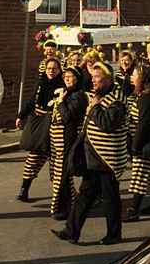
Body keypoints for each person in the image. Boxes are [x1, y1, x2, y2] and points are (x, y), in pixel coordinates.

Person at [51, 62, 127, 245]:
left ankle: (114, 234)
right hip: (93, 157)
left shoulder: (117, 100)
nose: (93, 81)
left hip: (107, 157)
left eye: (97, 78)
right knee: (84, 196)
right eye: (92, 77)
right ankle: (71, 231)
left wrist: (95, 108)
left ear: (108, 79)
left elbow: (108, 124)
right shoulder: (97, 96)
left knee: (111, 199)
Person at [16, 58, 64, 202]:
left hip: (53, 124)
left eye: (54, 68)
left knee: (55, 160)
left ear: (59, 70)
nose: (51, 71)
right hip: (38, 123)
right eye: (49, 68)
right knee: (34, 156)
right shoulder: (41, 82)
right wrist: (21, 115)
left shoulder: (62, 85)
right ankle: (24, 189)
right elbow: (32, 100)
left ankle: (61, 195)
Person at [124, 65, 150, 221]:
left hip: (145, 143)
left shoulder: (146, 97)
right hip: (149, 142)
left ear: (142, 78)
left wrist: (136, 146)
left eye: (134, 75)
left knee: (138, 176)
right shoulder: (146, 95)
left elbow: (143, 124)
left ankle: (134, 210)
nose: (131, 78)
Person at [49, 66, 88, 220]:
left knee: (64, 174)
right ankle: (69, 204)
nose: (66, 78)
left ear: (77, 79)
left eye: (70, 76)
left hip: (69, 139)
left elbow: (67, 118)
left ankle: (63, 208)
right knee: (61, 174)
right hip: (59, 140)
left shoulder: (78, 96)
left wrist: (59, 103)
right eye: (65, 76)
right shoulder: (67, 93)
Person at [115, 50, 137, 155]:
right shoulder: (117, 74)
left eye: (127, 60)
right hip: (122, 106)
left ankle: (134, 152)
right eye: (122, 60)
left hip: (134, 105)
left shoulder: (136, 73)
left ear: (132, 61)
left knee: (133, 130)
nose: (124, 62)